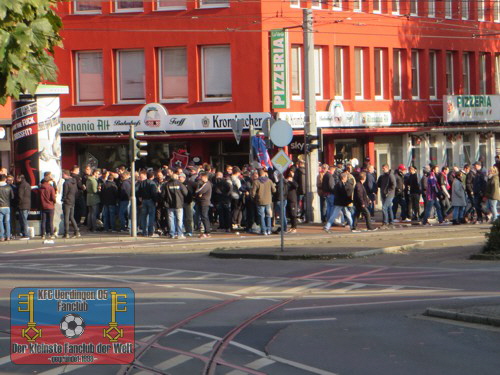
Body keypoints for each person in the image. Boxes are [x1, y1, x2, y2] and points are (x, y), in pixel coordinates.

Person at [251, 169, 276, 235]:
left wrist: (253, 198)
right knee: (268, 216)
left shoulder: (256, 182)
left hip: (260, 201)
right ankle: (269, 230)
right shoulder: (269, 181)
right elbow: (274, 190)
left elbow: (253, 193)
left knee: (261, 216)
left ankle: (263, 230)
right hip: (268, 200)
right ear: (264, 173)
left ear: (258, 174)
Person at [164, 172, 188, 239]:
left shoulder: (167, 184)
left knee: (171, 219)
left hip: (169, 204)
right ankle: (180, 234)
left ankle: (172, 234)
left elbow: (163, 195)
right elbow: (186, 193)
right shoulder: (180, 184)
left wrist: (165, 201)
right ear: (177, 178)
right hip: (179, 204)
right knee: (179, 219)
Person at [137, 170, 159, 237]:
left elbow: (138, 192)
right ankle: (150, 232)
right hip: (151, 201)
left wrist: (141, 200)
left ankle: (144, 232)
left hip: (144, 201)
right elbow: (154, 193)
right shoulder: (152, 183)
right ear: (152, 176)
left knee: (143, 217)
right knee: (151, 217)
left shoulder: (142, 183)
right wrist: (156, 201)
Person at [62, 169, 80, 238]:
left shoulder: (66, 183)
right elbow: (76, 191)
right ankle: (76, 231)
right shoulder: (74, 182)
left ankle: (66, 233)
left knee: (66, 217)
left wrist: (63, 199)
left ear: (66, 174)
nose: (62, 175)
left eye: (63, 174)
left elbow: (65, 193)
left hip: (67, 201)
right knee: (71, 216)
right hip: (72, 200)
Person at [377, 164, 396, 229]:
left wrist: (388, 191)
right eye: (382, 168)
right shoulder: (382, 176)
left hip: (389, 195)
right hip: (384, 194)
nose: (383, 169)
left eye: (384, 168)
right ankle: (391, 222)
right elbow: (379, 184)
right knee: (389, 208)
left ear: (387, 168)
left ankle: (385, 222)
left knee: (384, 207)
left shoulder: (390, 175)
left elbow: (393, 185)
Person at [195, 172, 213, 238]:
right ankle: (206, 231)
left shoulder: (207, 184)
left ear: (205, 177)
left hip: (204, 202)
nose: (200, 178)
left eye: (201, 177)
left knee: (204, 217)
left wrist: (199, 194)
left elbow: (199, 191)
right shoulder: (203, 184)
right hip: (202, 202)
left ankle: (207, 231)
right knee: (203, 217)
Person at [39, 175, 56, 239]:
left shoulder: (40, 188)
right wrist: (54, 202)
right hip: (50, 206)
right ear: (48, 181)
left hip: (43, 206)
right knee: (50, 221)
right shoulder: (51, 188)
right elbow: (53, 198)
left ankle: (43, 234)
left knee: (43, 221)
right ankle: (51, 234)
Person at [16, 174, 31, 239]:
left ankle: (25, 234)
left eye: (17, 178)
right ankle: (25, 233)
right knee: (25, 219)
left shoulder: (21, 186)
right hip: (27, 204)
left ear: (20, 178)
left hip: (22, 205)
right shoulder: (27, 184)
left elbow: (20, 196)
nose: (16, 180)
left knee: (23, 220)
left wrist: (18, 203)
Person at [0, 174, 14, 241]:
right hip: (7, 206)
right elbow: (12, 197)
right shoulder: (9, 187)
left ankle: (2, 237)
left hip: (0, 207)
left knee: (0, 222)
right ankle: (8, 236)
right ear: (5, 179)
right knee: (7, 222)